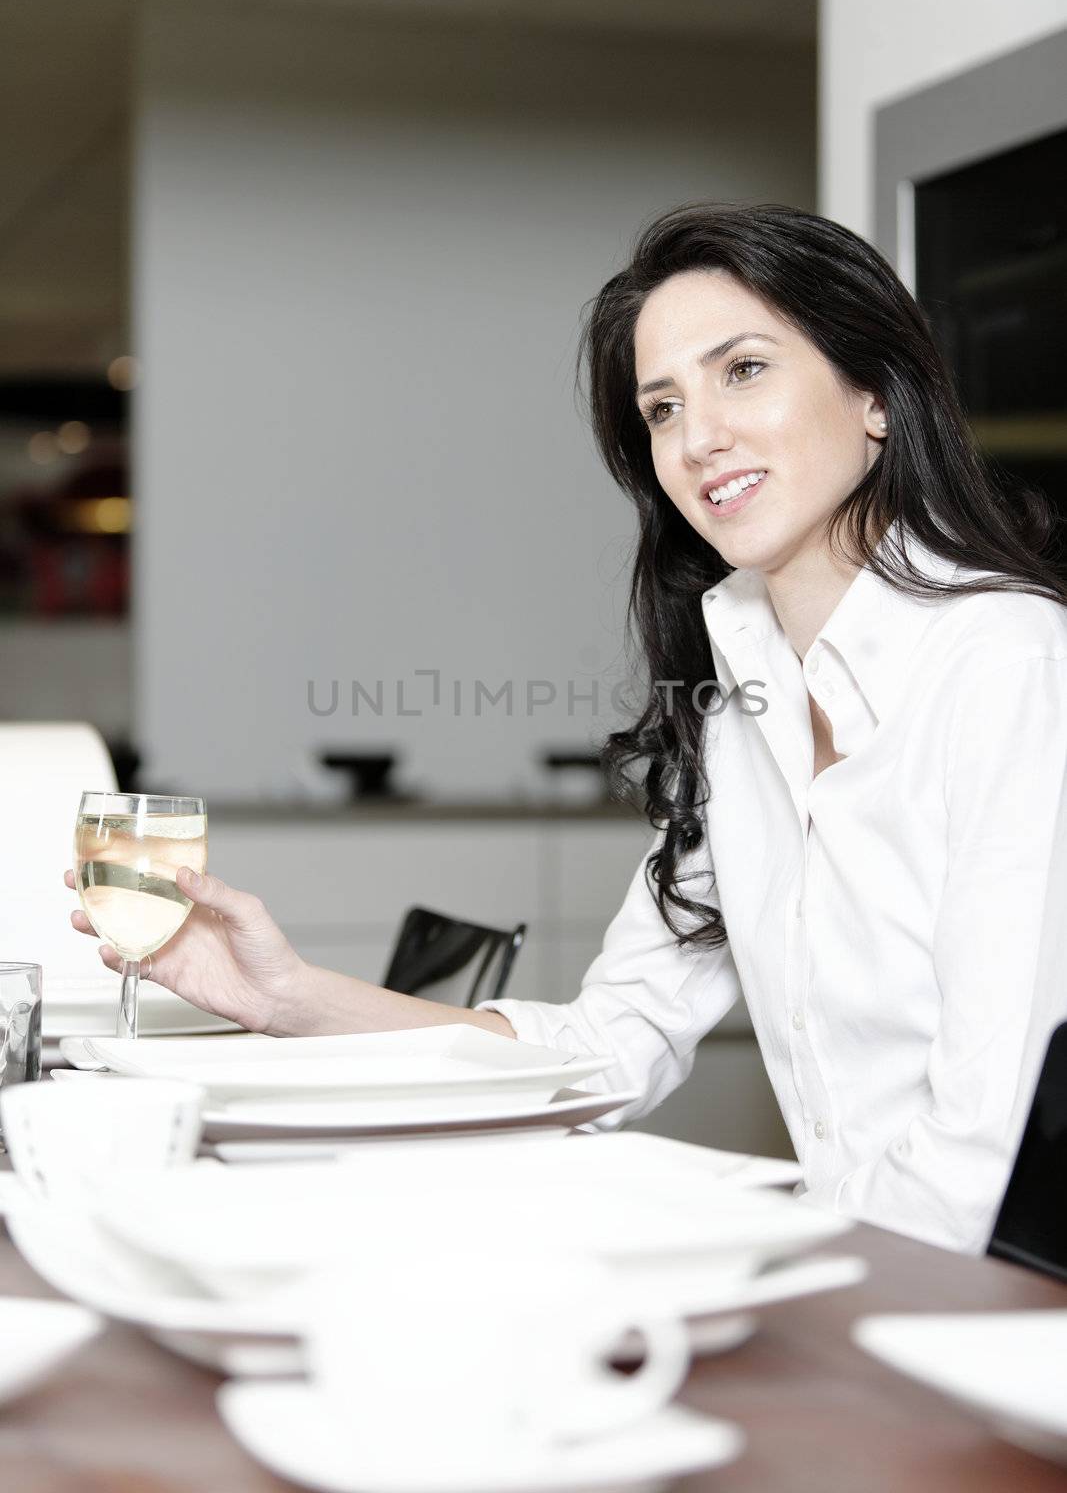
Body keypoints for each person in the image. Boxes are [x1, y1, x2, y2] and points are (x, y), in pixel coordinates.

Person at [67, 202, 1067, 1256]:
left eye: (742, 371)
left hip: (966, 1315)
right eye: (662, 407)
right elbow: (603, 1053)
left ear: (871, 393)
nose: (698, 437)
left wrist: (799, 1295)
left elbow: (987, 1141)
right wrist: (291, 998)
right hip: (863, 1287)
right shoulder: (736, 713)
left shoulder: (1006, 663)